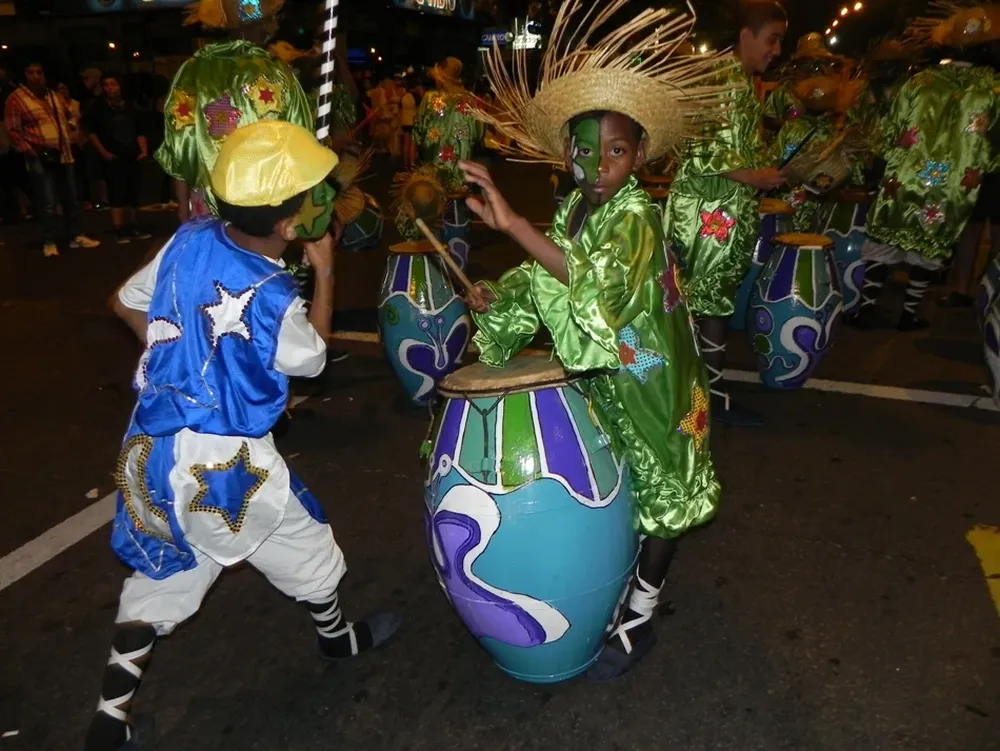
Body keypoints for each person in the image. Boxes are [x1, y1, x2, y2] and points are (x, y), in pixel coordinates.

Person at [82, 121, 400, 751]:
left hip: (150, 448)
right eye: (316, 195)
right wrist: (327, 275)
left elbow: (123, 303)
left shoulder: (189, 237)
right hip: (225, 462)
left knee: (165, 573)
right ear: (289, 225)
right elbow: (310, 360)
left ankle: (107, 722)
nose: (325, 202)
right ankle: (336, 639)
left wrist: (179, 356)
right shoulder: (275, 293)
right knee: (305, 539)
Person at [463, 0, 723, 681]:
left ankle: (642, 606)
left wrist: (512, 222)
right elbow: (547, 272)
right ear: (568, 156)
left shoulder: (637, 214)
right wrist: (502, 296)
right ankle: (615, 580)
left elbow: (591, 287)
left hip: (658, 382)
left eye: (616, 150)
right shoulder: (578, 204)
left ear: (639, 153)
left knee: (666, 493)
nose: (599, 164)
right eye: (585, 151)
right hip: (610, 377)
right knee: (619, 485)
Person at [663, 0, 788, 427]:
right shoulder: (724, 82)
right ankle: (707, 396)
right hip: (707, 210)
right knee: (708, 299)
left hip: (718, 207)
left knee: (706, 298)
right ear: (746, 36)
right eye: (771, 39)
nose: (775, 50)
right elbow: (704, 154)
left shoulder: (738, 82)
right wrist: (758, 178)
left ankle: (700, 390)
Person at [850, 6, 1000, 331]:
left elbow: (889, 132)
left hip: (903, 179)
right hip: (952, 186)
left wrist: (878, 164)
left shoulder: (919, 81)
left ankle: (867, 310)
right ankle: (908, 313)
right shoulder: (992, 88)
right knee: (929, 246)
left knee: (884, 244)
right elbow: (994, 144)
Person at [3, 61, 101, 257]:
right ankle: (49, 239)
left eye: (39, 72)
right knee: (47, 199)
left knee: (72, 196)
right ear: (25, 75)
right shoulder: (16, 99)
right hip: (40, 154)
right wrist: (30, 150)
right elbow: (13, 129)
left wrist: (71, 127)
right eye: (30, 72)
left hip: (64, 153)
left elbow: (71, 113)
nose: (36, 76)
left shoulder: (54, 96)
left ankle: (76, 235)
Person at [411, 57, 485, 270]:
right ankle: (457, 270)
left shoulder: (429, 98)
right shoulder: (470, 101)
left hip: (433, 175)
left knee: (432, 220)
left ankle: (433, 272)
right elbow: (479, 134)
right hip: (461, 177)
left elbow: (418, 134)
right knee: (458, 221)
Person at [85, 74, 152, 243]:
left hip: (132, 154)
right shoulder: (98, 108)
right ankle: (118, 229)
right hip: (112, 155)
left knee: (132, 191)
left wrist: (143, 150)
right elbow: (92, 133)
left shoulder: (130, 107)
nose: (110, 88)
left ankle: (132, 225)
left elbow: (140, 131)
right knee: (116, 192)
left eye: (113, 84)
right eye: (106, 85)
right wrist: (103, 152)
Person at [80, 67, 110, 211]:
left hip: (101, 139)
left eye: (87, 78)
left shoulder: (101, 101)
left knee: (100, 171)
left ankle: (104, 200)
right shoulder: (89, 99)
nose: (84, 82)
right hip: (92, 140)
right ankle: (99, 200)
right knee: (94, 172)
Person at [400, 81, 418, 169]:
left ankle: (405, 163)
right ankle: (412, 162)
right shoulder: (414, 97)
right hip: (413, 121)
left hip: (404, 122)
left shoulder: (403, 97)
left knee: (405, 144)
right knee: (412, 143)